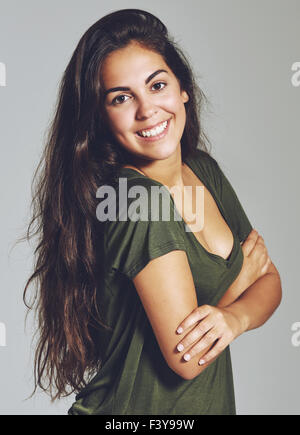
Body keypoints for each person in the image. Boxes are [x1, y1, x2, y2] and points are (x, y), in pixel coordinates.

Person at [23, 9, 282, 415]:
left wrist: (231, 319)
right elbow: (187, 359)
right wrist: (239, 287)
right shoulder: (135, 199)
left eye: (157, 85)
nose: (147, 111)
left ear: (183, 90)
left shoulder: (203, 171)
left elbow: (269, 279)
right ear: (100, 118)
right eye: (121, 98)